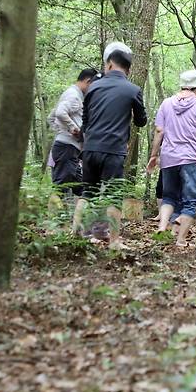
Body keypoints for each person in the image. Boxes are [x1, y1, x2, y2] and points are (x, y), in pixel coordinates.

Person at [74, 42, 147, 247]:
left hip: (90, 148)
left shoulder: (94, 87)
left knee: (87, 193)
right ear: (128, 69)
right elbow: (141, 121)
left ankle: (74, 234)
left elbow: (85, 121)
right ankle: (114, 241)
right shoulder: (133, 89)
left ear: (109, 65)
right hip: (114, 150)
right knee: (114, 196)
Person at [147, 70, 196, 247]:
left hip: (168, 157)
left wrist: (154, 155)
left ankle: (163, 225)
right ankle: (180, 239)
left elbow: (159, 131)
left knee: (169, 196)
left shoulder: (166, 104)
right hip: (190, 158)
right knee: (191, 200)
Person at [48, 68, 100, 197]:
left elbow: (51, 117)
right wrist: (72, 129)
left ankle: (87, 213)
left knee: (80, 186)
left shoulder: (72, 94)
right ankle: (54, 216)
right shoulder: (73, 95)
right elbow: (59, 113)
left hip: (71, 148)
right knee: (61, 186)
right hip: (66, 147)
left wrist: (62, 130)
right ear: (88, 81)